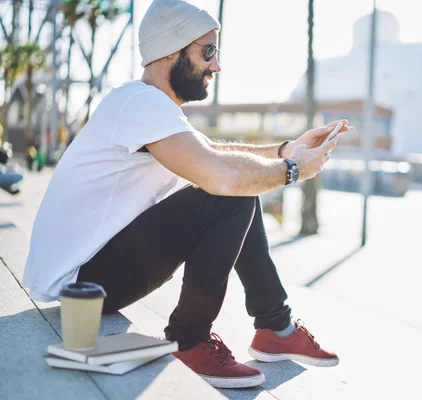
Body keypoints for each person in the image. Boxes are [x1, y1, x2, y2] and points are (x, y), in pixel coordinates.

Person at [23, 0, 349, 389]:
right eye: (207, 51)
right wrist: (294, 170)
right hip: (85, 285)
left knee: (240, 179)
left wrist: (285, 151)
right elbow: (220, 173)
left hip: (92, 279)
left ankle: (275, 328)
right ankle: (189, 340)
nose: (216, 65)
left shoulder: (147, 107)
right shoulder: (140, 103)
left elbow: (214, 154)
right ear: (169, 53)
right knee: (230, 189)